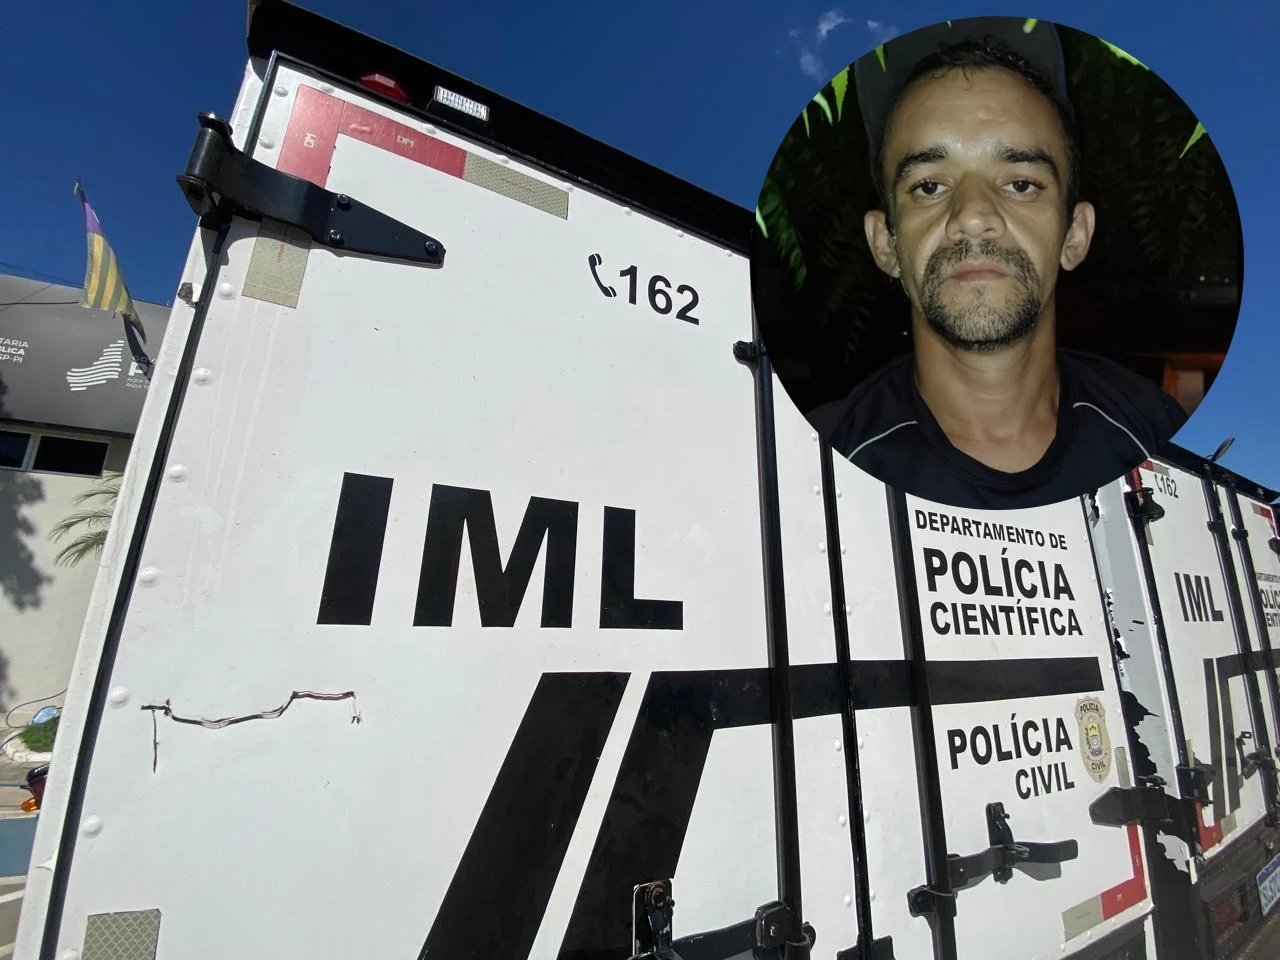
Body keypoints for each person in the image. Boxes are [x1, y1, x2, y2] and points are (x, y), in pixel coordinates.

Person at [808, 18, 1188, 509]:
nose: (972, 217)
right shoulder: (810, 463)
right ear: (885, 244)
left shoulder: (1159, 435)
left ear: (1074, 234)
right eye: (929, 186)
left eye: (1021, 184)